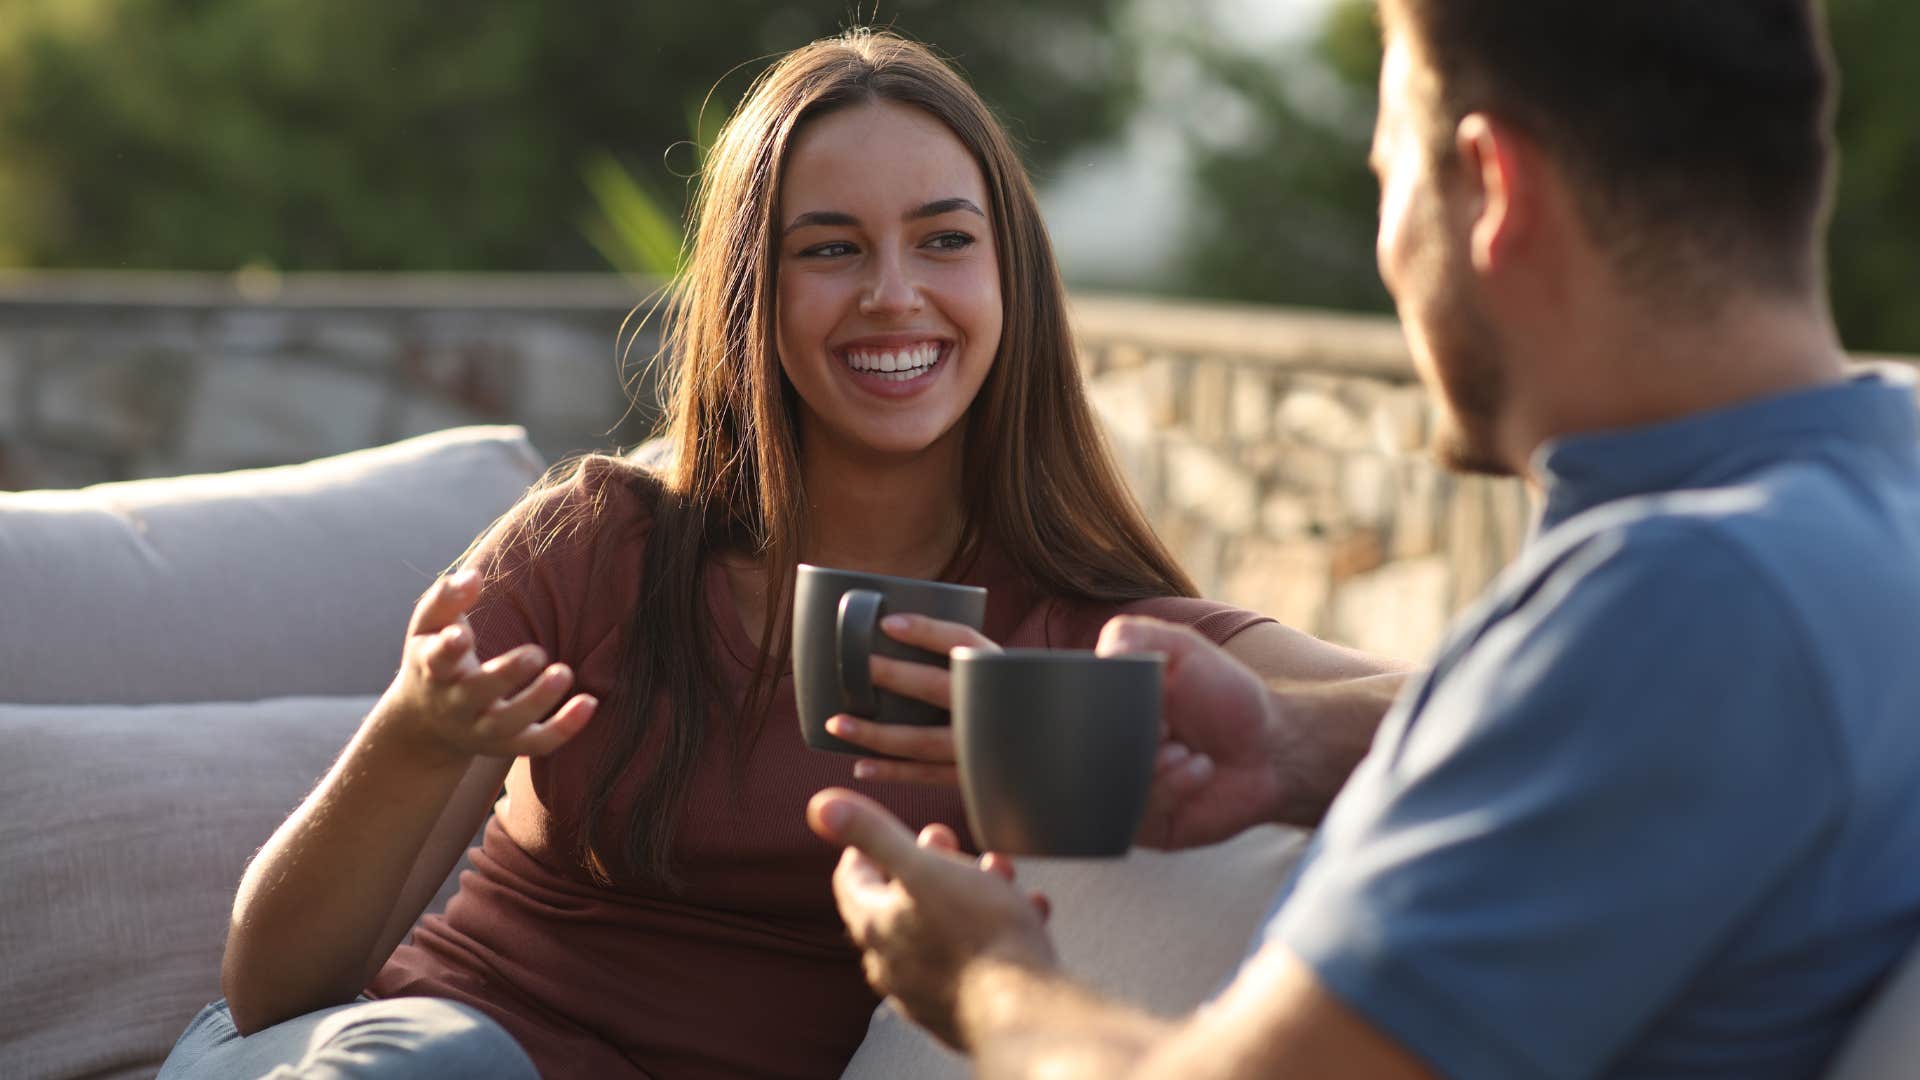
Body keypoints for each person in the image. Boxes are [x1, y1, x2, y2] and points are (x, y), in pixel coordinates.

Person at [156, 29, 1401, 1080]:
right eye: (831, 248)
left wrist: (1109, 718)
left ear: (1010, 277)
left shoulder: (1072, 628)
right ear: (756, 288)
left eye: (944, 239)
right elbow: (272, 989)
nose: (894, 293)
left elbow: (1453, 704)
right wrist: (418, 733)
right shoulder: (603, 544)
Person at [811, 1, 1920, 1077]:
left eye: (1387, 177)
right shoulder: (1866, 512)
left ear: (1491, 188)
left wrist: (987, 981)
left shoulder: (1688, 596)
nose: (1387, 245)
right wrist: (1294, 753)